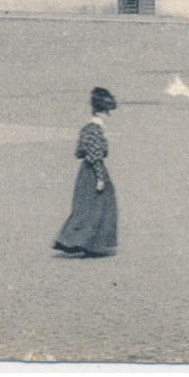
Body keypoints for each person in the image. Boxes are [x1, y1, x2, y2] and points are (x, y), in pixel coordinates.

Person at [53, 87, 118, 257]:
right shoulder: (97, 131)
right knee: (100, 206)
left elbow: (79, 152)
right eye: (106, 113)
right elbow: (96, 156)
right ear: (102, 112)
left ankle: (72, 239)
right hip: (95, 171)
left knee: (83, 207)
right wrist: (100, 178)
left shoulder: (85, 129)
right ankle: (91, 243)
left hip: (83, 173)